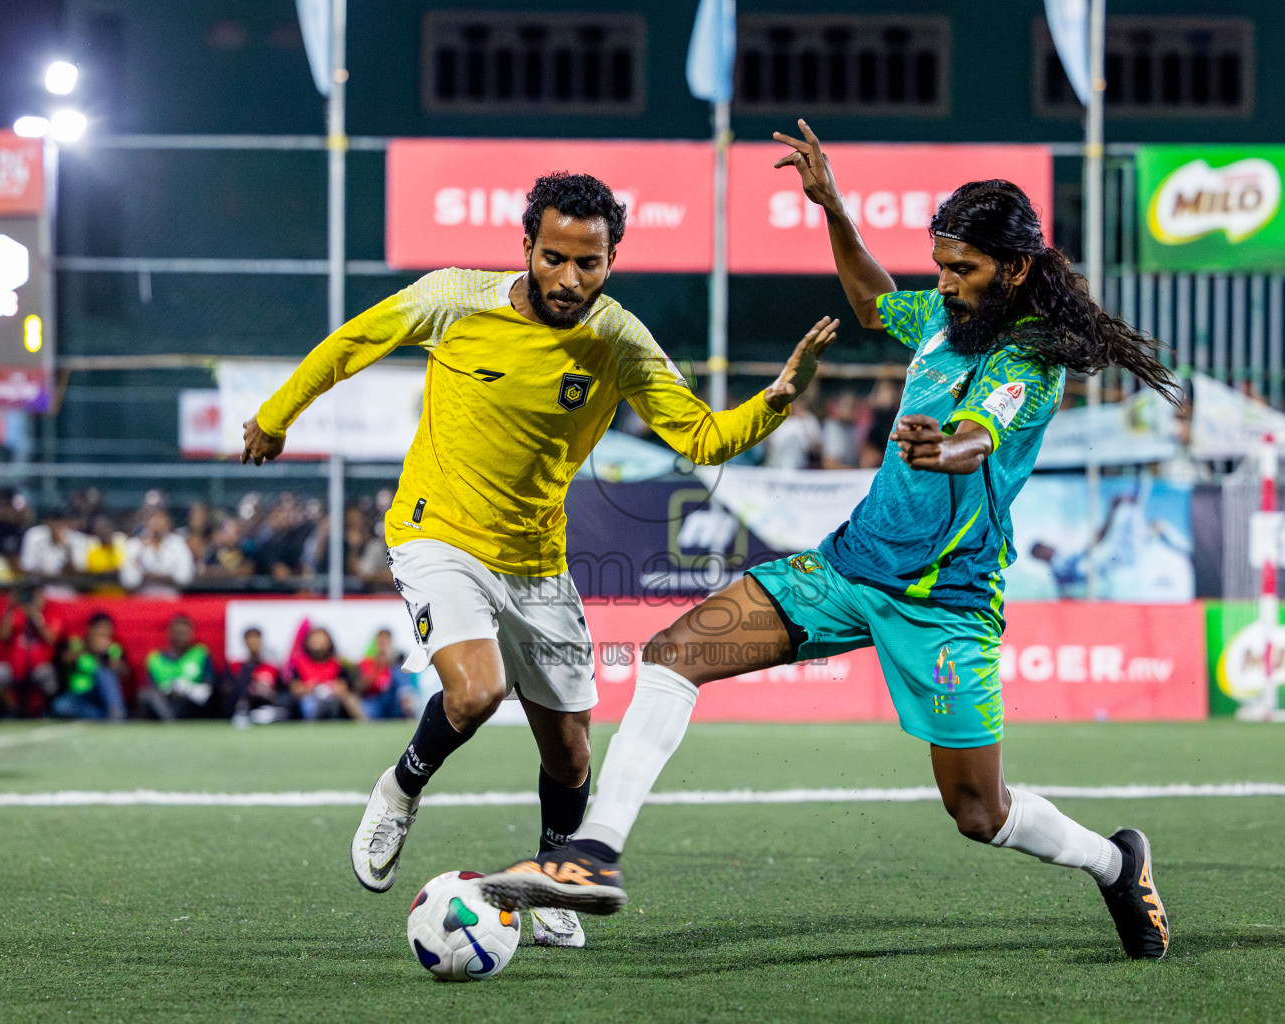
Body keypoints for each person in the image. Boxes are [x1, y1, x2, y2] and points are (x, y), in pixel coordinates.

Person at [480, 123, 1182, 963]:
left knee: (978, 813)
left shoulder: (1030, 362)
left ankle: (1114, 862)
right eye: (943, 266)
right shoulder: (940, 320)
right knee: (674, 653)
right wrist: (834, 209)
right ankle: (592, 855)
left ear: (1017, 269)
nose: (948, 284)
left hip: (944, 607)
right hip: (848, 568)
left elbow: (981, 433)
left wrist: (944, 448)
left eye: (966, 270)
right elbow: (871, 298)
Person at [240, 169, 837, 950]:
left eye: (588, 262)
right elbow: (352, 344)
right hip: (437, 533)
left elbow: (701, 438)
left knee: (570, 750)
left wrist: (778, 398)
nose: (569, 277)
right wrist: (276, 416)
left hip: (538, 562)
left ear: (612, 258)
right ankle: (399, 790)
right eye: (554, 257)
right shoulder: (453, 298)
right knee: (479, 691)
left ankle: (555, 874)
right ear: (526, 245)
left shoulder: (619, 339)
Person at [0, 587, 62, 717]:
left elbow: (50, 639)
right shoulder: (17, 614)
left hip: (38, 668)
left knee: (48, 674)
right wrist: (11, 607)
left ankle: (44, 712)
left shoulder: (51, 615)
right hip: (14, 669)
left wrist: (35, 616)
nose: (35, 600)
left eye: (38, 596)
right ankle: (13, 709)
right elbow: (1, 636)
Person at [137, 613, 217, 721]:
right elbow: (151, 689)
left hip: (191, 704)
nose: (181, 637)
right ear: (170, 633)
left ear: (191, 633)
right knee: (145, 696)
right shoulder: (155, 659)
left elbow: (209, 688)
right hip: (165, 702)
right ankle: (169, 719)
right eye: (178, 633)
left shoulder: (200, 653)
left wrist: (186, 688)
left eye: (184, 633)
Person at [53, 612, 128, 720]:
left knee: (104, 672)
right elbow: (64, 659)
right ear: (90, 629)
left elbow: (125, 673)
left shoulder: (114, 649)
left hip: (104, 697)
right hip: (80, 696)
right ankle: (103, 717)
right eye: (100, 631)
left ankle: (115, 712)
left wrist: (108, 659)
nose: (103, 635)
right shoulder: (76, 644)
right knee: (61, 706)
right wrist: (88, 648)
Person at [285, 625, 362, 721]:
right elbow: (294, 688)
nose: (319, 644)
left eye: (322, 641)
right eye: (315, 641)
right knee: (309, 705)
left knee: (349, 702)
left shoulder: (337, 663)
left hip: (333, 700)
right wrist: (308, 688)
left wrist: (334, 689)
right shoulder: (300, 663)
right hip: (310, 699)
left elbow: (344, 686)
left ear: (329, 642)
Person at [223, 626, 289, 725]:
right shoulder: (237, 666)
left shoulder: (271, 665)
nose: (253, 642)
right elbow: (229, 686)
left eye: (256, 638)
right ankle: (243, 712)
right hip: (244, 700)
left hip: (266, 700)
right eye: (250, 639)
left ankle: (264, 713)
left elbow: (281, 687)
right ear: (245, 642)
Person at [120, 510, 195, 594]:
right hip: (142, 600)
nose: (157, 522)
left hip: (171, 600)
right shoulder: (134, 545)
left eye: (161, 518)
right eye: (153, 518)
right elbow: (129, 581)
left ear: (168, 522)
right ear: (145, 522)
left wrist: (153, 577)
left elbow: (185, 578)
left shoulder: (178, 544)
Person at [357, 628, 419, 720]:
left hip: (394, 701)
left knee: (399, 672)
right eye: (381, 642)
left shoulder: (397, 663)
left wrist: (390, 664)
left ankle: (408, 705)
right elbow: (361, 686)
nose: (383, 646)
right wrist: (378, 667)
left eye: (386, 642)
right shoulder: (368, 663)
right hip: (375, 700)